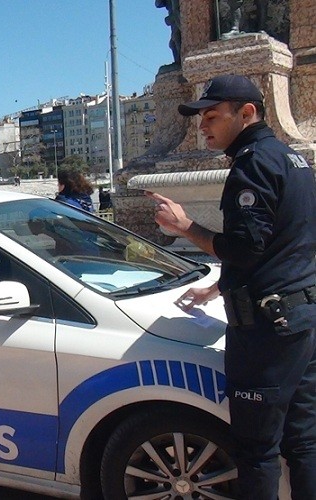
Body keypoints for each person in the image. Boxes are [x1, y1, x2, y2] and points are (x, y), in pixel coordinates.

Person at [148, 74, 316, 499]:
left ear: (247, 113)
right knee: (303, 440)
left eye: (212, 115)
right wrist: (218, 288)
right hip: (300, 319)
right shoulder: (291, 158)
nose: (202, 125)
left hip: (267, 331)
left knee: (257, 449)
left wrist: (185, 226)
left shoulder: (253, 163)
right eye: (200, 117)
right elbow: (284, 244)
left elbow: (244, 248)